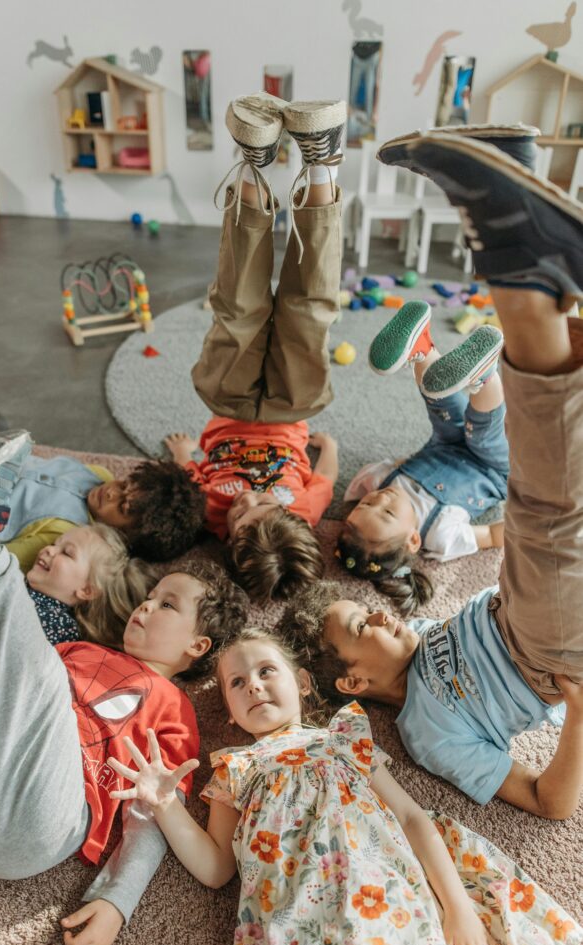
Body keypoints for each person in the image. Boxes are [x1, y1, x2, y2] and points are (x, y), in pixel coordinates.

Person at [282, 127, 583, 817]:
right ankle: (517, 246)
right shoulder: (424, 730)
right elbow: (548, 803)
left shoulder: (428, 636)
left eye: (364, 608)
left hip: (519, 605)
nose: (381, 612)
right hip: (548, 649)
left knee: (547, 492)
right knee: (538, 506)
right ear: (354, 682)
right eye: (362, 624)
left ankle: (517, 220)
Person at [0, 422, 249, 945]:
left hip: (40, 826)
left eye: (168, 606)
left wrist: (116, 900)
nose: (148, 606)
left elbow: (151, 815)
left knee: (35, 671)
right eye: (152, 596)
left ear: (197, 646)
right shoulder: (79, 651)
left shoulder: (173, 709)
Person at [108, 629, 581, 945]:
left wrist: (458, 909)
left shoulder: (343, 738)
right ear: (229, 715)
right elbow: (216, 869)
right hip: (297, 923)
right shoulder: (234, 767)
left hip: (383, 896)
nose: (253, 685)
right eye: (237, 682)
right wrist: (166, 806)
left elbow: (415, 819)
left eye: (266, 671)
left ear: (304, 682)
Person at [164, 92, 343, 601]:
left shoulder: (215, 515)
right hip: (292, 408)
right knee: (309, 313)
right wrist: (328, 448)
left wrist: (186, 455)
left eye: (236, 521)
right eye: (257, 508)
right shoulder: (305, 510)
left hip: (229, 402)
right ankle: (321, 164)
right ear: (287, 513)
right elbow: (325, 480)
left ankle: (253, 166)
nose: (241, 503)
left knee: (238, 310)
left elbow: (195, 478)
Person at [0, 521, 155, 829]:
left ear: (87, 590)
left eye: (67, 553)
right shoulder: (17, 587)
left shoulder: (56, 631)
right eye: (56, 543)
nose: (49, 549)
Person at [0, 388, 206, 569]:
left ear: (125, 538)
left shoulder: (65, 533)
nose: (112, 493)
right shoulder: (98, 475)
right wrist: (183, 456)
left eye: (123, 508)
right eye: (125, 485)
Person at [336, 301, 507, 613]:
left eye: (368, 503)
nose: (382, 498)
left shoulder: (376, 482)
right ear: (413, 540)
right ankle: (485, 376)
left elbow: (392, 467)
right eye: (387, 513)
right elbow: (495, 535)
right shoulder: (440, 534)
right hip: (491, 468)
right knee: (483, 429)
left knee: (441, 404)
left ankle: (421, 347)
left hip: (444, 445)